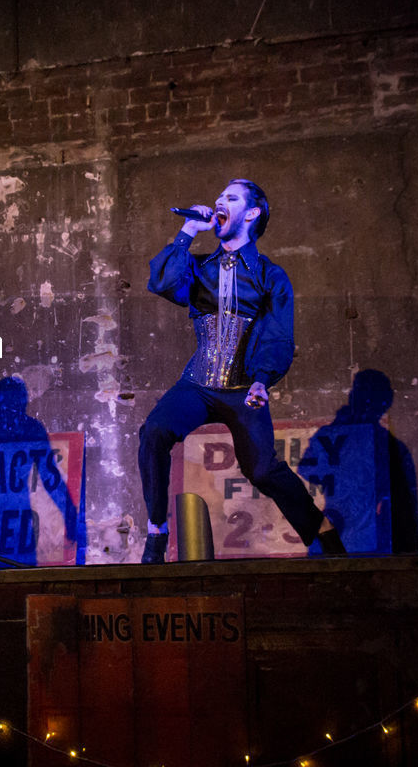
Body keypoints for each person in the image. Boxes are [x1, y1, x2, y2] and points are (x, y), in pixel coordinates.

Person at [137, 179, 345, 563]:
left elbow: (279, 335)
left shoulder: (270, 275)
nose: (219, 202)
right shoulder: (199, 269)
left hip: (245, 386)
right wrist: (187, 231)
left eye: (230, 198)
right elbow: (162, 283)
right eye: (218, 197)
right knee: (154, 431)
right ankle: (155, 533)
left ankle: (321, 530)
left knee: (263, 470)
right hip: (198, 383)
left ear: (252, 213)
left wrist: (264, 380)